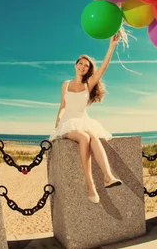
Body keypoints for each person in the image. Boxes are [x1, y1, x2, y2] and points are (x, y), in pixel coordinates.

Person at [50, 32, 123, 203]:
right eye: (80, 63)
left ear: (88, 69)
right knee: (84, 137)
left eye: (86, 65)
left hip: (83, 119)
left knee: (93, 137)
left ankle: (108, 176)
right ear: (75, 65)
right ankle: (89, 183)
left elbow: (104, 67)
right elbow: (62, 105)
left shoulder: (87, 84)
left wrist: (111, 46)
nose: (82, 67)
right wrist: (58, 122)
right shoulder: (65, 84)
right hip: (68, 122)